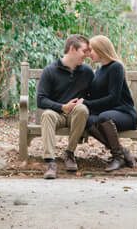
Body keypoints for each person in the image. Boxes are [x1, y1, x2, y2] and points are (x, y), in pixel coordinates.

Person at [35, 34, 93, 179]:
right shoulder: (50, 70)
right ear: (73, 49)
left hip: (77, 115)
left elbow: (94, 95)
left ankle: (69, 153)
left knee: (82, 109)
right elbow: (40, 100)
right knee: (47, 114)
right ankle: (50, 162)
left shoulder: (87, 72)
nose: (87, 55)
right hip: (57, 114)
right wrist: (62, 107)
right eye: (84, 51)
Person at [84, 35, 137, 171]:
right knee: (88, 120)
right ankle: (122, 152)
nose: (89, 54)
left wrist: (87, 103)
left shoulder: (116, 67)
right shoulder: (99, 71)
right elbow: (94, 96)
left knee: (103, 117)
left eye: (92, 50)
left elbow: (113, 98)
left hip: (125, 113)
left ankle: (117, 158)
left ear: (101, 49)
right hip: (108, 113)